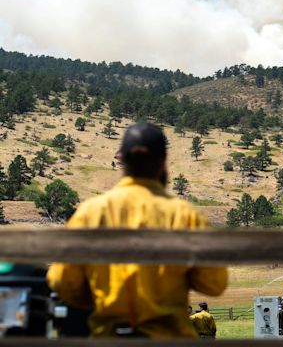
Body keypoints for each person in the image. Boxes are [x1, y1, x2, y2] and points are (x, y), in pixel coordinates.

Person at [47, 122, 228, 339]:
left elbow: (61, 282)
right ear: (164, 161)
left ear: (121, 159)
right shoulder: (185, 216)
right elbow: (215, 283)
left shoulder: (90, 214)